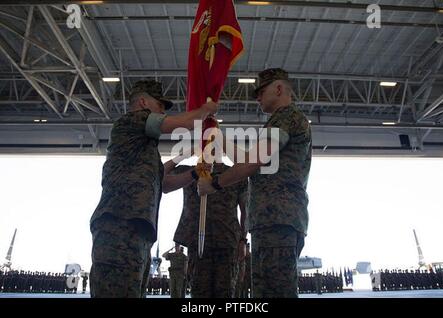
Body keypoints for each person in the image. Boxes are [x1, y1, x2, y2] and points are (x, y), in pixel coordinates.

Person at [89, 79, 218, 298]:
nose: (162, 111)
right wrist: (205, 109)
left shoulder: (144, 149)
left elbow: (165, 184)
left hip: (136, 229)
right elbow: (182, 124)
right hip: (119, 224)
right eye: (160, 105)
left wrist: (195, 173)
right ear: (142, 102)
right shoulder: (131, 121)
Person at [198, 68, 312, 298]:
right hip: (271, 220)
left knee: (275, 291)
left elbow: (252, 163)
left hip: (277, 219)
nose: (257, 97)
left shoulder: (286, 117)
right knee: (264, 292)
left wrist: (215, 184)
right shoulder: (280, 121)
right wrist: (219, 137)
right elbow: (249, 160)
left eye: (261, 91)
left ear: (278, 89)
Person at [167, 160, 248, 298]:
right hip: (198, 245)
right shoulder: (190, 172)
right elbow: (162, 173)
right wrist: (183, 155)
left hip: (226, 244)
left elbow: (245, 211)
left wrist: (242, 240)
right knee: (199, 292)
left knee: (226, 293)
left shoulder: (233, 175)